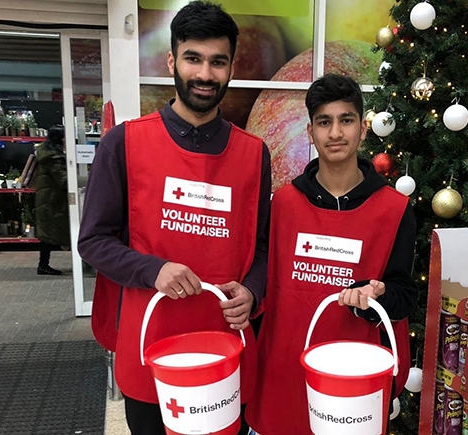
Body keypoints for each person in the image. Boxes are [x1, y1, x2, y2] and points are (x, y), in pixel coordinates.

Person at [77, 2, 271, 434]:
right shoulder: (124, 142)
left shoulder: (253, 154)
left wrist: (254, 293)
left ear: (231, 68)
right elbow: (93, 241)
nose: (205, 74)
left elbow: (262, 245)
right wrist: (154, 269)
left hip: (225, 344)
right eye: (193, 59)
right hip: (151, 343)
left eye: (217, 62)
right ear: (172, 62)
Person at [245, 74, 418, 435]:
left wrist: (379, 296)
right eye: (324, 122)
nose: (335, 133)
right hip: (282, 373)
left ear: (363, 129)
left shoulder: (395, 210)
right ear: (310, 132)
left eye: (346, 120)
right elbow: (262, 282)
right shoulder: (281, 205)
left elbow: (404, 295)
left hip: (354, 384)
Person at [34, 125, 70, 275]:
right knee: (48, 233)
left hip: (48, 198)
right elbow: (63, 180)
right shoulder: (53, 158)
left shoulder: (47, 152)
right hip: (51, 200)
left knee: (47, 233)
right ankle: (43, 265)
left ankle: (43, 264)